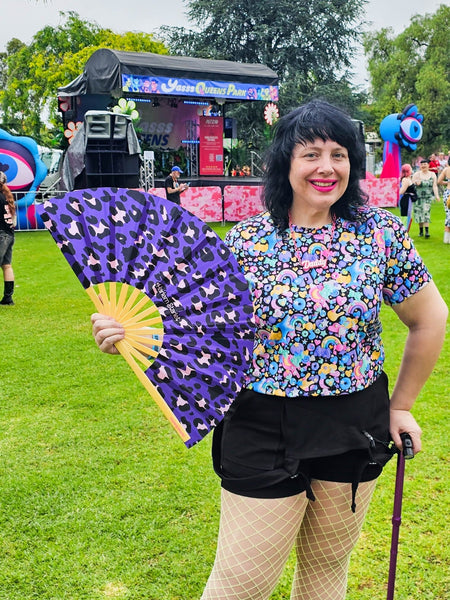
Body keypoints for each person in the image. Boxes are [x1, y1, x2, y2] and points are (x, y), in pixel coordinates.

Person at [91, 100, 448, 600]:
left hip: (353, 423)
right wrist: (124, 332)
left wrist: (403, 405)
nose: (327, 167)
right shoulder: (245, 242)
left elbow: (430, 318)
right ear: (285, 162)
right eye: (312, 153)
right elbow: (190, 326)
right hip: (261, 424)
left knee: (325, 570)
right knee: (242, 584)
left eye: (339, 154)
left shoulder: (380, 234)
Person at [412, 159, 440, 238]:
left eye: (425, 164)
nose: (423, 166)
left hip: (427, 197)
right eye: (422, 164)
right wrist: (416, 183)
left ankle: (427, 231)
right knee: (419, 214)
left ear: (428, 165)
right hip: (418, 198)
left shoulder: (432, 174)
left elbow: (434, 186)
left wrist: (437, 195)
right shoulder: (417, 174)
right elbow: (412, 183)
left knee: (426, 213)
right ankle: (421, 231)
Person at [0, 171, 16, 306]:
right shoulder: (7, 196)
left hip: (1, 235)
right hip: (9, 234)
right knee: (7, 266)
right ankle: (8, 298)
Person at [437, 157, 450, 243]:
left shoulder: (446, 169)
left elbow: (439, 181)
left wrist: (447, 183)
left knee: (448, 214)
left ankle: (447, 238)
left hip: (448, 192)